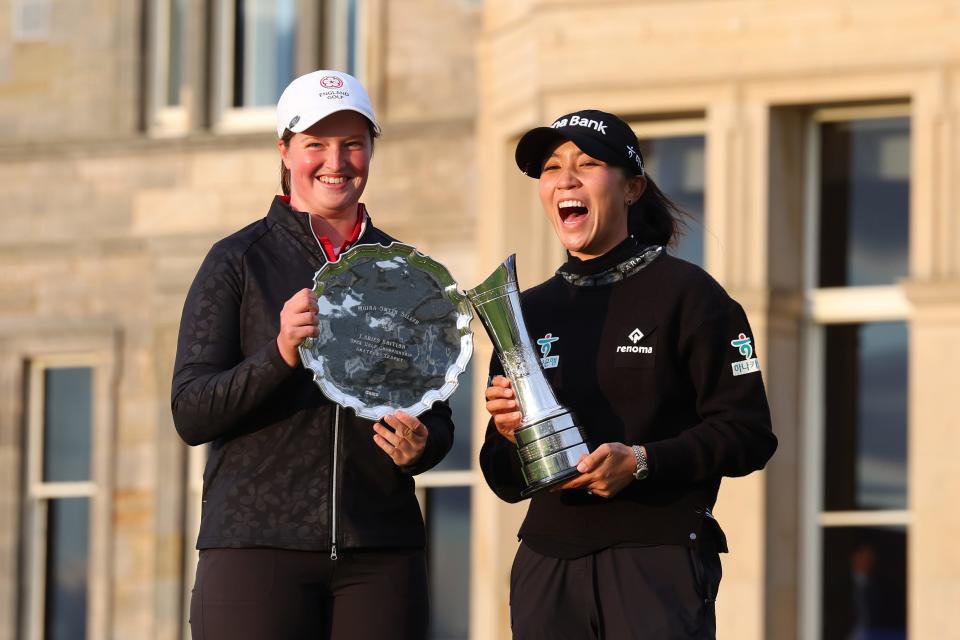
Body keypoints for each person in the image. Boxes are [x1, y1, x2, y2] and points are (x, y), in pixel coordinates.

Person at [171, 70, 455, 640]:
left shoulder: (407, 271)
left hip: (380, 550)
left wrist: (421, 447)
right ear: (284, 150)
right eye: (316, 144)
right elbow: (192, 411)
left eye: (353, 143)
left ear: (371, 149)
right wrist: (278, 355)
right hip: (255, 548)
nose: (337, 160)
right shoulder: (237, 261)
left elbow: (438, 415)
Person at [480, 109, 778, 639]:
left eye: (588, 163)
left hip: (656, 560)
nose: (565, 179)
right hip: (547, 567)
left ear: (633, 187)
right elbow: (502, 478)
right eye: (551, 167)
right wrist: (510, 438)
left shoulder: (691, 295)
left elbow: (749, 435)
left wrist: (641, 462)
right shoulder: (523, 310)